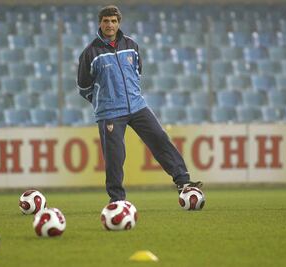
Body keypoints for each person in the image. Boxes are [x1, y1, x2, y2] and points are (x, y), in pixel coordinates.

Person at [77, 5, 202, 202]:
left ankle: (183, 182)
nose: (110, 25)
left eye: (114, 21)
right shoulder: (90, 52)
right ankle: (117, 200)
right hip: (110, 112)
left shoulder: (131, 45)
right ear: (100, 23)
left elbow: (137, 73)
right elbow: (84, 87)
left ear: (119, 23)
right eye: (106, 21)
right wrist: (105, 102)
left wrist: (130, 95)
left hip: (137, 106)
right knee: (115, 157)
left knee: (160, 138)